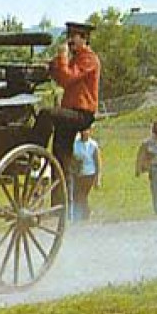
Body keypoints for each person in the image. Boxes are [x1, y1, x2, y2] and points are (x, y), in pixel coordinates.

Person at [33, 20, 102, 184]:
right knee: (60, 162)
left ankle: (35, 152)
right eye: (68, 37)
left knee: (46, 113)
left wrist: (62, 57)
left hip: (81, 114)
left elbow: (66, 78)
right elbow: (59, 76)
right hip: (69, 113)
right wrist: (51, 65)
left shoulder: (89, 59)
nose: (69, 41)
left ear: (84, 38)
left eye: (73, 37)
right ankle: (59, 208)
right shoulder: (76, 59)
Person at [69, 126, 102, 222]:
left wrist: (98, 178)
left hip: (89, 173)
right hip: (77, 174)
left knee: (82, 195)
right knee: (76, 195)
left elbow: (98, 162)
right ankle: (79, 215)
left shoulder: (93, 145)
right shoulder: (75, 144)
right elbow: (72, 158)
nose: (85, 133)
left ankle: (86, 213)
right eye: (83, 131)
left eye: (87, 131)